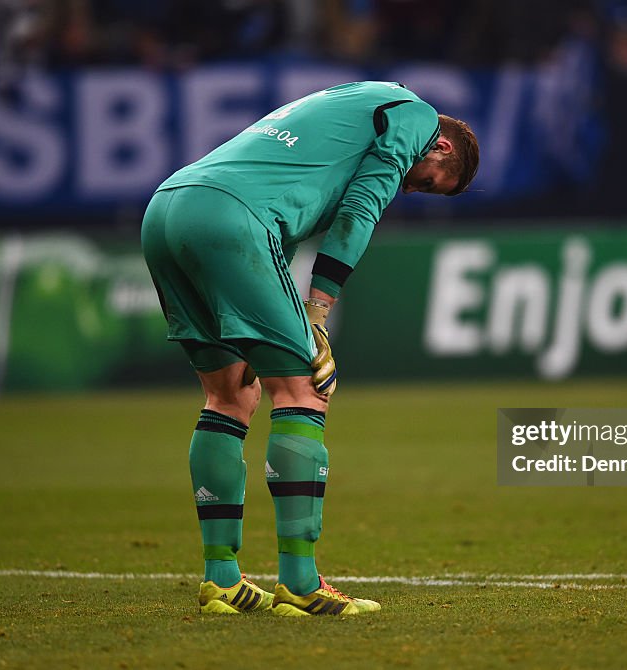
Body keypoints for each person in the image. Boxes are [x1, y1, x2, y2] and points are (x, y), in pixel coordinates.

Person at [141, 81, 479, 617]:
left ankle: (221, 580)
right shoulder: (414, 116)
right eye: (428, 184)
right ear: (440, 148)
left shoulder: (346, 105)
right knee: (305, 387)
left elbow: (285, 221)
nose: (411, 191)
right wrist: (317, 316)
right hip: (232, 217)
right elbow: (361, 209)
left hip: (167, 208)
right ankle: (299, 581)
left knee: (231, 395)